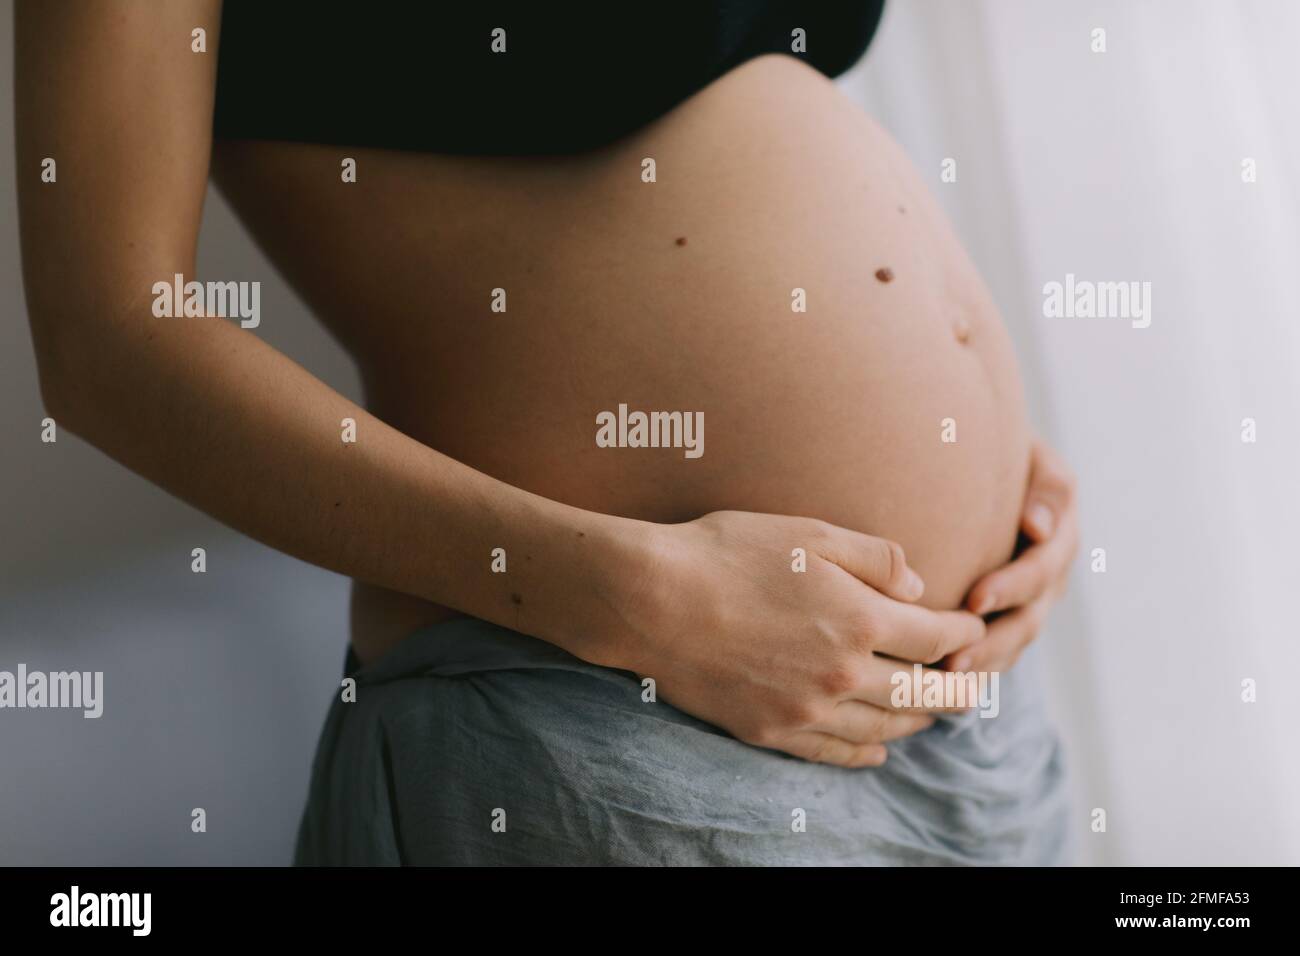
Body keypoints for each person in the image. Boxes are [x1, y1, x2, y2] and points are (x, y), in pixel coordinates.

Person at [16, 1, 1080, 864]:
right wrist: (641, 599)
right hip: (620, 725)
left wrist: (990, 469)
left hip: (964, 712)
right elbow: (109, 342)